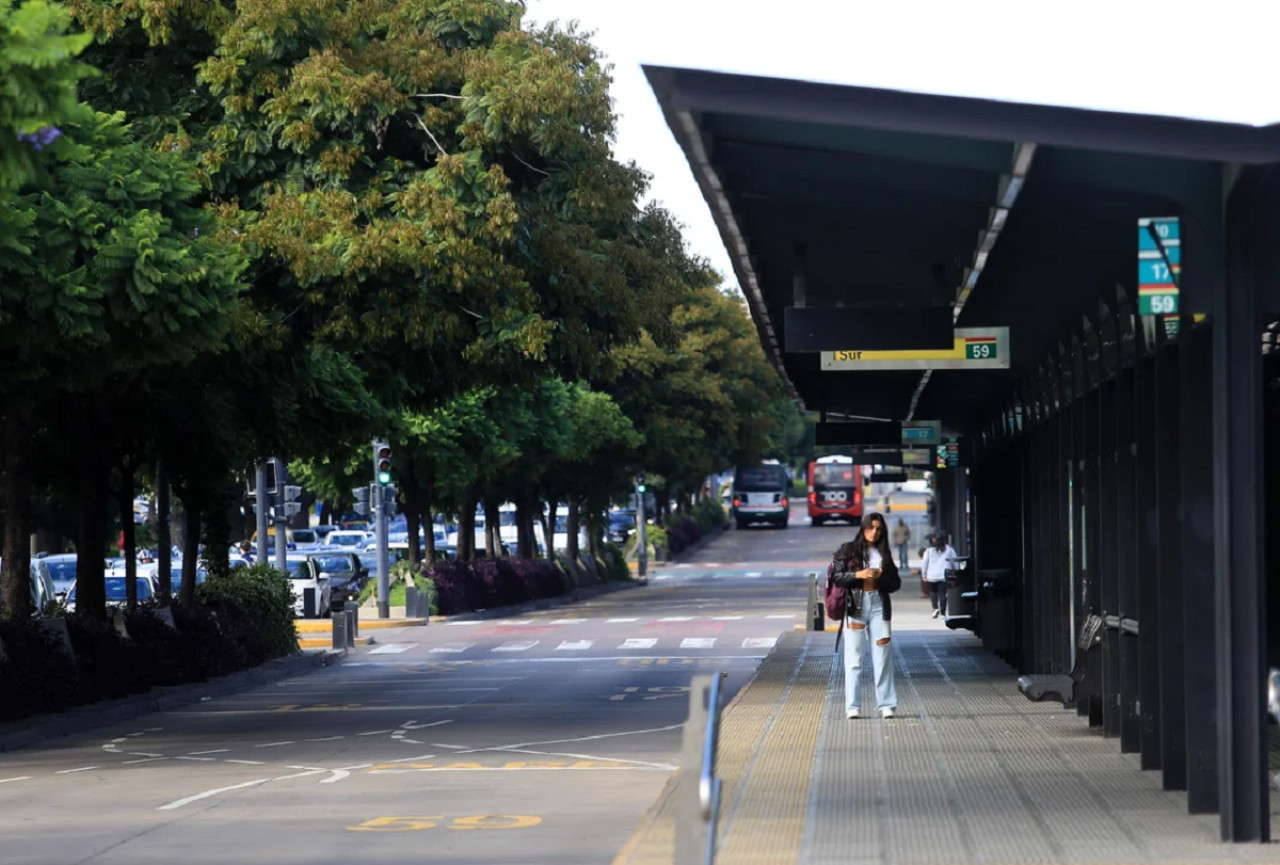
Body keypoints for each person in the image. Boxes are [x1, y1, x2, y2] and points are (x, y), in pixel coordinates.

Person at [829, 511, 901, 719]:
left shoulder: (884, 554)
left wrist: (880, 578)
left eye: (879, 529)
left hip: (879, 606)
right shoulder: (847, 550)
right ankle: (853, 706)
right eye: (871, 527)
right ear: (864, 528)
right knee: (854, 658)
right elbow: (836, 576)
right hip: (856, 607)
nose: (874, 532)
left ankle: (886, 705)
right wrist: (859, 575)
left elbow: (896, 583)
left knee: (883, 657)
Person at [920, 532, 957, 619]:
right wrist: (955, 571)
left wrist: (924, 574)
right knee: (942, 594)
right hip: (944, 575)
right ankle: (943, 613)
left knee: (933, 592)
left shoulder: (929, 551)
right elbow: (954, 561)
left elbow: (924, 563)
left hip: (932, 575)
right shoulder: (949, 549)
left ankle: (935, 608)